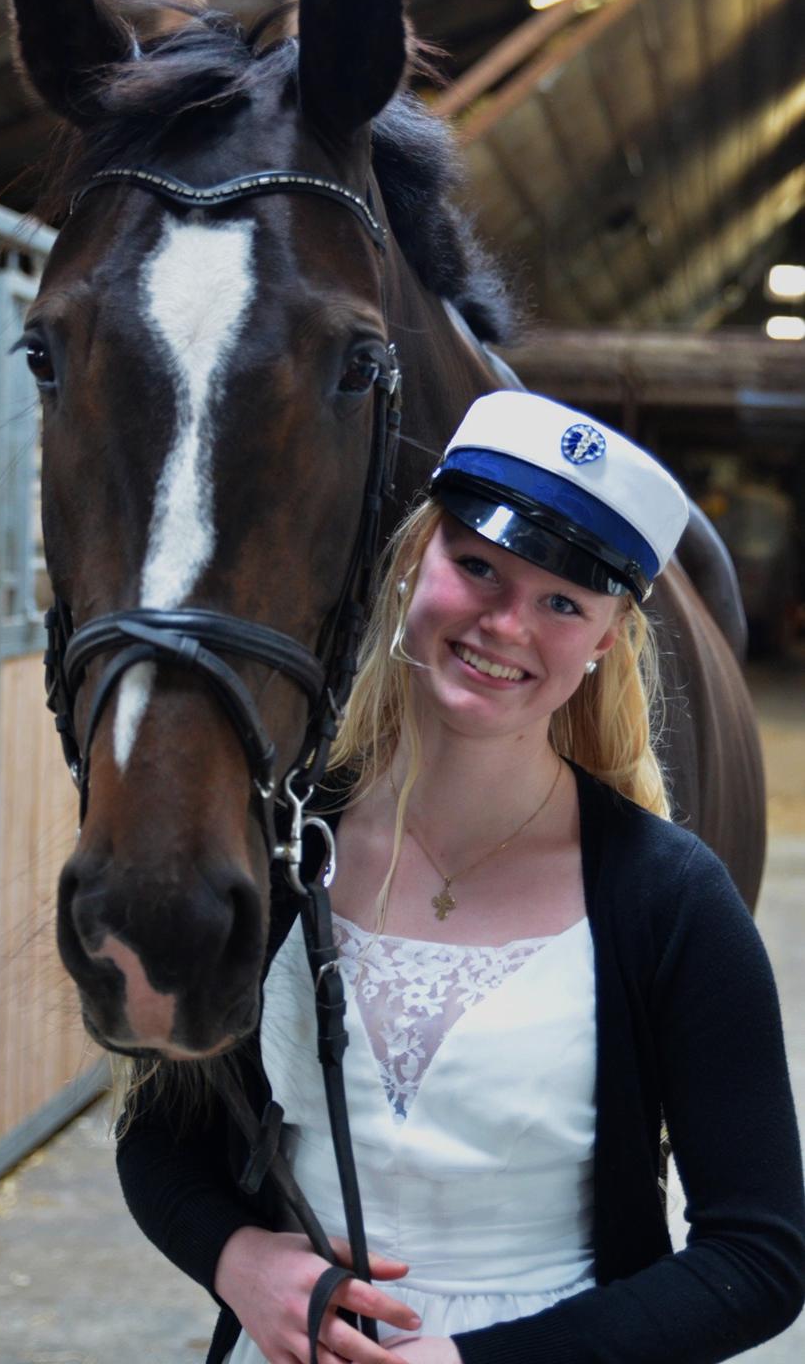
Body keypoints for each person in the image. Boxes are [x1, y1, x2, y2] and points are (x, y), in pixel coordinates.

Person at [116, 390, 805, 1364]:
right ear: (412, 563)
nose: (505, 623)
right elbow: (161, 1132)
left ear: (605, 641)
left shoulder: (670, 901)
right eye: (476, 565)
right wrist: (237, 1260)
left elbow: (757, 1257)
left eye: (562, 601)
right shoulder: (277, 841)